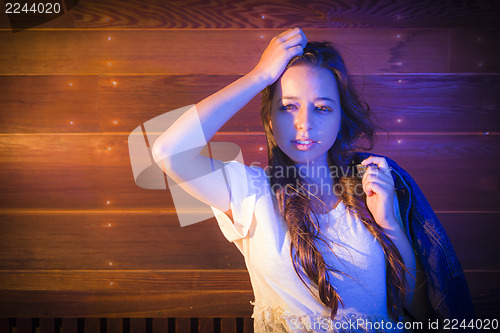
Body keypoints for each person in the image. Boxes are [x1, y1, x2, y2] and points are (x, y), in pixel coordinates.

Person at [151, 28, 475, 332]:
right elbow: (168, 151)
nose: (304, 124)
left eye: (322, 108)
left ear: (339, 120)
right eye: (288, 107)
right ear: (269, 118)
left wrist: (388, 221)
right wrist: (260, 76)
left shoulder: (371, 189)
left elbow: (420, 310)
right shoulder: (248, 191)